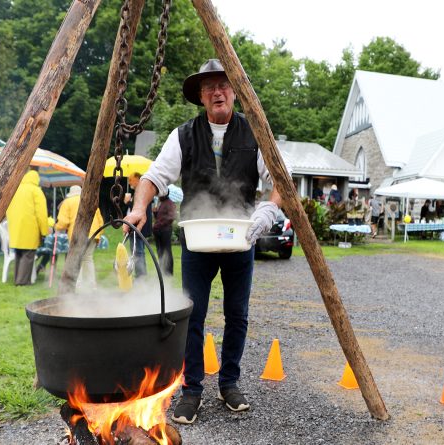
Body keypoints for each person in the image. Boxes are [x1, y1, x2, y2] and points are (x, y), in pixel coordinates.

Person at [123, 59, 283, 424]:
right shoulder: (183, 135)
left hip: (241, 239)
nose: (217, 91)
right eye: (209, 86)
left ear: (235, 91)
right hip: (196, 240)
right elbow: (153, 177)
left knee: (237, 315)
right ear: (200, 96)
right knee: (191, 315)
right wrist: (138, 207)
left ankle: (229, 383)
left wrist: (268, 211)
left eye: (223, 84)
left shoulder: (256, 134)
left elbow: (279, 181)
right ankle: (191, 389)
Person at [54, 185, 104, 289]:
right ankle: (91, 285)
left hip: (77, 233)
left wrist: (56, 227)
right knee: (88, 258)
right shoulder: (90, 200)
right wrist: (99, 236)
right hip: (94, 233)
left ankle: (78, 285)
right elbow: (100, 221)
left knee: (77, 259)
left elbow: (63, 222)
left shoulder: (67, 202)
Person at [6, 170, 49, 285]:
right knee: (28, 255)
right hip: (30, 229)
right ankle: (23, 282)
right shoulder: (36, 191)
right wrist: (45, 231)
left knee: (19, 254)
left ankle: (17, 279)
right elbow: (41, 214)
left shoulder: (16, 189)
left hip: (15, 230)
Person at [125, 172, 152, 278]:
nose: (129, 182)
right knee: (138, 251)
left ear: (137, 178)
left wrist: (128, 202)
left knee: (137, 252)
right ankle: (141, 274)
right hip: (138, 226)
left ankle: (140, 275)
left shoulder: (142, 190)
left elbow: (139, 208)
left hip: (139, 226)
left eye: (131, 179)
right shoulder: (140, 190)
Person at [152, 194, 176, 276]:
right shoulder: (161, 203)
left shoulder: (170, 203)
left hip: (165, 230)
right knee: (160, 251)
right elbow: (158, 217)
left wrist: (160, 224)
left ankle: (169, 271)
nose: (159, 196)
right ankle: (162, 269)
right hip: (158, 231)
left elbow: (171, 217)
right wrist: (155, 212)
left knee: (167, 251)